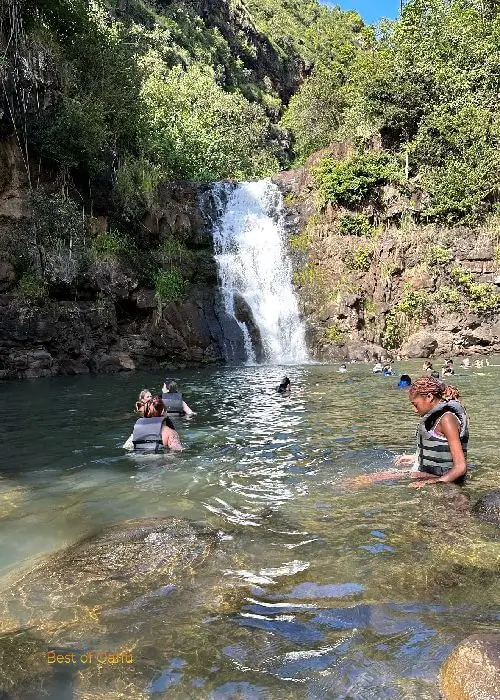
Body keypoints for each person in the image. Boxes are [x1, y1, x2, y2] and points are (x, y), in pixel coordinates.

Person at [394, 376, 468, 488]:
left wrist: (427, 483)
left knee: (379, 477)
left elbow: (460, 467)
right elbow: (442, 451)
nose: (414, 410)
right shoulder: (435, 418)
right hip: (430, 475)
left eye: (415, 404)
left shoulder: (447, 419)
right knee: (379, 476)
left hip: (445, 483)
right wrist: (416, 457)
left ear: (429, 397)